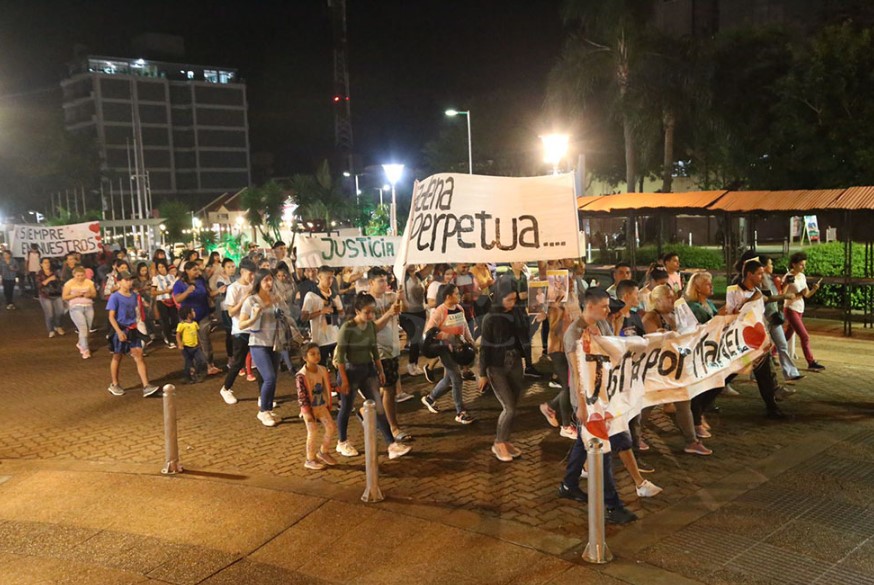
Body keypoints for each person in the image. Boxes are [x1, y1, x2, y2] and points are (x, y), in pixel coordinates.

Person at [558, 288, 641, 524]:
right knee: (601, 451)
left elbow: (613, 352)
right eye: (604, 306)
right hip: (588, 401)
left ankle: (569, 483)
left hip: (604, 395)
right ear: (590, 306)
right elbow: (576, 373)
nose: (608, 310)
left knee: (583, 444)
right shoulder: (573, 333)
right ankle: (612, 506)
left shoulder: (603, 325)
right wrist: (582, 406)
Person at [334, 293, 412, 460]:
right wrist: (344, 380)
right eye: (367, 312)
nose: (370, 316)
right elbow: (340, 357)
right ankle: (342, 441)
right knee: (346, 408)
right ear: (357, 311)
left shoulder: (370, 327)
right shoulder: (347, 328)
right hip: (350, 370)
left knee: (378, 406)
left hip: (367, 370)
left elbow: (374, 350)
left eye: (373, 312)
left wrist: (380, 370)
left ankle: (391, 444)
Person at [643, 285, 712, 455]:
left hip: (676, 367)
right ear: (657, 300)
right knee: (648, 404)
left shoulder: (675, 314)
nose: (673, 300)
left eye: (673, 297)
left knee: (683, 402)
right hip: (660, 370)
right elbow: (653, 342)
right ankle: (634, 436)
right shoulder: (650, 318)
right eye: (668, 297)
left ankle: (691, 441)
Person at [725, 260, 786, 419]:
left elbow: (760, 317)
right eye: (759, 273)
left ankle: (772, 408)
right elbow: (732, 314)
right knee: (729, 373)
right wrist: (752, 298)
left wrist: (766, 337)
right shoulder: (734, 290)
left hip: (758, 344)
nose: (762, 276)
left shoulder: (758, 290)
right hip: (740, 343)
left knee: (764, 376)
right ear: (749, 274)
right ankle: (702, 404)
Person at [479, 280, 529, 461]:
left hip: (515, 362)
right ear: (500, 298)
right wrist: (482, 373)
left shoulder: (516, 312)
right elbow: (484, 347)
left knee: (514, 406)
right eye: (509, 300)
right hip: (496, 366)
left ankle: (506, 441)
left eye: (515, 299)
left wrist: (536, 320)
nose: (512, 303)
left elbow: (525, 334)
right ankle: (499, 443)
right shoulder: (490, 318)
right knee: (508, 408)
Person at [421, 283, 477, 424]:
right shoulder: (439, 311)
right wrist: (446, 336)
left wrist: (470, 341)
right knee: (457, 379)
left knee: (448, 379)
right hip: (445, 350)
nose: (459, 296)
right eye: (457, 293)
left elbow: (464, 327)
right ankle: (460, 412)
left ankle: (430, 398)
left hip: (458, 349)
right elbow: (429, 331)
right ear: (448, 296)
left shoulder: (459, 309)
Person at [368, 268, 414, 441]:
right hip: (380, 351)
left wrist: (402, 299)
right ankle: (393, 428)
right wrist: (389, 312)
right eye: (380, 281)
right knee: (389, 390)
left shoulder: (390, 296)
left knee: (386, 389)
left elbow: (406, 308)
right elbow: (373, 328)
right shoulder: (368, 301)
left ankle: (364, 413)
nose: (384, 284)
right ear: (371, 282)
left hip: (393, 348)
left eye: (386, 280)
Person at [684, 272, 728, 439]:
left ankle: (700, 413)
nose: (712, 287)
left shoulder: (708, 303)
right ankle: (696, 420)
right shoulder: (693, 308)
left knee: (720, 381)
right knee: (700, 388)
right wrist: (719, 317)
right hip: (698, 353)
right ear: (697, 288)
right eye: (708, 284)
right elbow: (700, 328)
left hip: (713, 351)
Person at [238, 269, 282, 426]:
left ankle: (269, 410)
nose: (269, 283)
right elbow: (241, 323)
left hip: (275, 343)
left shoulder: (275, 298)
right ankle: (262, 411)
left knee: (273, 379)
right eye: (266, 280)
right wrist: (255, 317)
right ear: (258, 282)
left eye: (271, 280)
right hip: (258, 343)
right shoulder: (251, 300)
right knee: (269, 378)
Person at [106, 271, 160, 398]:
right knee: (117, 356)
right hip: (121, 329)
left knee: (139, 355)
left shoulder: (134, 296)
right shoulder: (115, 297)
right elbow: (111, 317)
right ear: (118, 282)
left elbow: (137, 312)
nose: (129, 282)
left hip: (132, 329)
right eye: (126, 280)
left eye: (130, 280)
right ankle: (114, 384)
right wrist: (119, 332)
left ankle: (146, 385)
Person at [217, 259, 257, 405]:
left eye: (254, 274)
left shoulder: (253, 286)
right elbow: (231, 312)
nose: (252, 277)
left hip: (255, 328)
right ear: (242, 272)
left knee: (259, 362)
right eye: (250, 274)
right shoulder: (234, 288)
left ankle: (263, 397)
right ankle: (226, 388)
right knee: (238, 362)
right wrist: (244, 300)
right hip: (240, 330)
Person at [761, 255, 804, 384]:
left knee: (782, 344)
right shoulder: (760, 280)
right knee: (762, 349)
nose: (772, 266)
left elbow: (778, 293)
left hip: (773, 315)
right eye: (770, 264)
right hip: (763, 317)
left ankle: (791, 373)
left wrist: (784, 285)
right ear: (763, 266)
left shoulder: (771, 278)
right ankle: (755, 374)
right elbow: (767, 298)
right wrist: (784, 296)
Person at [173, 261, 221, 375]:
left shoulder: (201, 280)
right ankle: (192, 366)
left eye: (198, 269)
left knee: (205, 340)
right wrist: (187, 291)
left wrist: (219, 291)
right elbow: (178, 299)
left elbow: (209, 294)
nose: (198, 272)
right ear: (187, 271)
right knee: (189, 342)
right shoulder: (179, 284)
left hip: (203, 313)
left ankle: (210, 365)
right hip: (188, 318)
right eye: (194, 270)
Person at [296, 342, 338, 470]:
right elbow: (301, 395)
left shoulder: (323, 369)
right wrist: (306, 412)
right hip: (309, 409)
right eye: (312, 354)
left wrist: (338, 388)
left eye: (318, 353)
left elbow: (327, 385)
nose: (316, 356)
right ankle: (310, 458)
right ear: (305, 357)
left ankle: (323, 451)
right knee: (312, 432)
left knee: (330, 427)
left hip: (321, 406)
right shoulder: (301, 375)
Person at [784, 252, 825, 371]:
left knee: (787, 335)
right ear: (794, 264)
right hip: (791, 308)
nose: (803, 267)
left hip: (799, 308)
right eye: (801, 265)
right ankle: (811, 362)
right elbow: (783, 294)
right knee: (804, 336)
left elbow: (806, 295)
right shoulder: (789, 277)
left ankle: (771, 353)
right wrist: (797, 293)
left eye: (804, 265)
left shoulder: (802, 276)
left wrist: (814, 289)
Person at [301, 266, 344, 368]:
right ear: (319, 277)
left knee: (339, 366)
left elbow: (342, 314)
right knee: (321, 367)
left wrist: (337, 310)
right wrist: (320, 312)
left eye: (332, 278)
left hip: (335, 336)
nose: (330, 280)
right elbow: (303, 317)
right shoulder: (311, 295)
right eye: (328, 277)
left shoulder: (334, 295)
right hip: (320, 339)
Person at [400, 264, 431, 376]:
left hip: (420, 312)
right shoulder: (402, 277)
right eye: (409, 262)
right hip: (407, 315)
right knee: (415, 338)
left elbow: (430, 267)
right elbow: (401, 296)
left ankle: (415, 364)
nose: (412, 264)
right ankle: (411, 364)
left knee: (417, 339)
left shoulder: (418, 276)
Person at [62, 265, 97, 358]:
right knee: (83, 328)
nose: (80, 277)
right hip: (75, 307)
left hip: (88, 306)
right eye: (78, 275)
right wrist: (75, 295)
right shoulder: (69, 284)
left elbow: (94, 294)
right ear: (74, 275)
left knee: (88, 328)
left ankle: (81, 343)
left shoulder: (89, 283)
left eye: (82, 275)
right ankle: (85, 350)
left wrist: (89, 294)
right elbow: (64, 296)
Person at [176, 307, 208, 383]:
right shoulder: (182, 325)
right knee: (189, 363)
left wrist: (199, 343)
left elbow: (197, 334)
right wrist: (180, 344)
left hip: (195, 346)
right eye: (192, 311)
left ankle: (198, 374)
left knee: (201, 360)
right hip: (186, 347)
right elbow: (178, 335)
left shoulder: (195, 324)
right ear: (188, 314)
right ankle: (187, 377)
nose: (194, 312)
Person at [151, 260, 178, 348]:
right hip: (161, 301)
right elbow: (153, 292)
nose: (161, 269)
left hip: (172, 301)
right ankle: (170, 340)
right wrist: (164, 291)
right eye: (159, 267)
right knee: (165, 321)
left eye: (163, 267)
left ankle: (166, 332)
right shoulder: (156, 278)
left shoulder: (172, 277)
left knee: (175, 320)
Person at [36, 257, 66, 337]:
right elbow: (39, 285)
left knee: (60, 312)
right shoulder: (39, 274)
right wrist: (49, 279)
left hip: (57, 294)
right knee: (49, 314)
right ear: (41, 264)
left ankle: (58, 326)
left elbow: (61, 282)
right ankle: (51, 330)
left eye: (48, 262)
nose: (47, 264)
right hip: (45, 296)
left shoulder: (55, 272)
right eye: (45, 263)